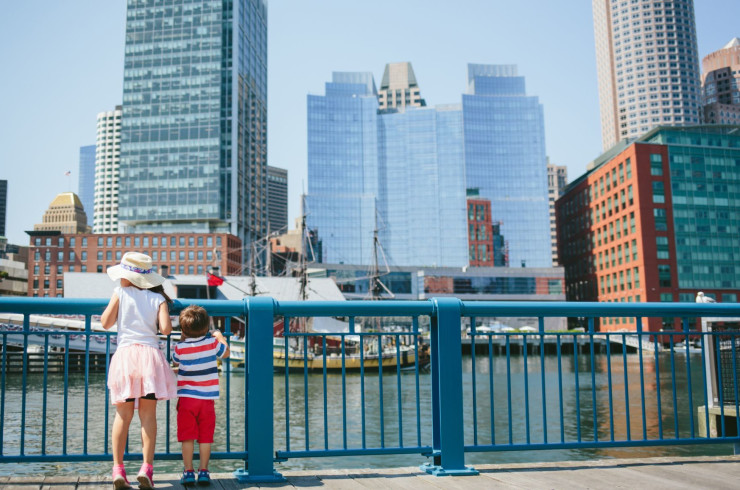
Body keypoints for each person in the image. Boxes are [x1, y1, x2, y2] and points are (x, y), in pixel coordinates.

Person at [101, 252, 178, 490]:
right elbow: (166, 329)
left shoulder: (120, 293)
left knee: (122, 416)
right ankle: (146, 468)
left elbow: (105, 322)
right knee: (148, 416)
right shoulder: (158, 299)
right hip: (149, 358)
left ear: (127, 277)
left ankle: (118, 469)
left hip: (125, 358)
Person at [172, 305, 230, 487]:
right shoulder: (212, 344)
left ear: (183, 329)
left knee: (187, 438)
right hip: (206, 401)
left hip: (187, 401)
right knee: (205, 438)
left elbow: (175, 361)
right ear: (206, 329)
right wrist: (220, 337)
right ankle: (203, 471)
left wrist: (183, 339)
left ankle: (188, 472)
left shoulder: (179, 347)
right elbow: (226, 353)